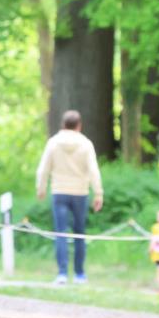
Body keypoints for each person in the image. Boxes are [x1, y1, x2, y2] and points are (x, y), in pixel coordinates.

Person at [36, 110, 104, 284]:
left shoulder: (53, 142)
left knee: (60, 232)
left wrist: (41, 188)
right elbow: (93, 169)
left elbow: (44, 168)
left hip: (59, 191)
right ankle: (80, 274)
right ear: (79, 125)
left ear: (63, 124)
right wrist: (98, 193)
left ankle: (62, 273)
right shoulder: (86, 144)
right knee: (80, 233)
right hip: (80, 192)